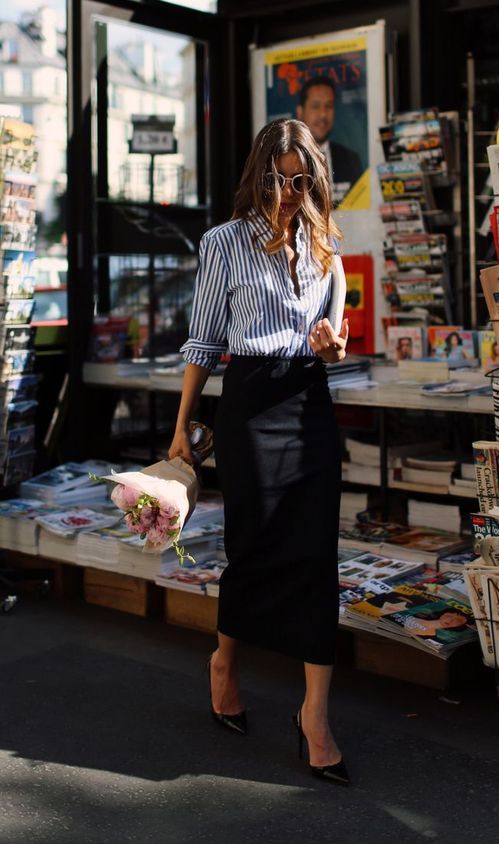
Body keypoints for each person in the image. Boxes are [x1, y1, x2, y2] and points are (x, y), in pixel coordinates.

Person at [169, 118, 350, 785]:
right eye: (280, 180)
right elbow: (202, 344)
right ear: (259, 174)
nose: (290, 193)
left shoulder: (326, 241)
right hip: (247, 403)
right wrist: (180, 427)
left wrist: (333, 343)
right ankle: (224, 662)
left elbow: (340, 329)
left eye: (302, 181)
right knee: (252, 548)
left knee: (315, 556)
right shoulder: (223, 243)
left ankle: (315, 716)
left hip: (307, 401)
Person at [296, 76, 363, 204]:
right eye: (315, 106)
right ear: (300, 112)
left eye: (329, 106)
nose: (323, 114)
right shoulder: (287, 160)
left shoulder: (351, 160)